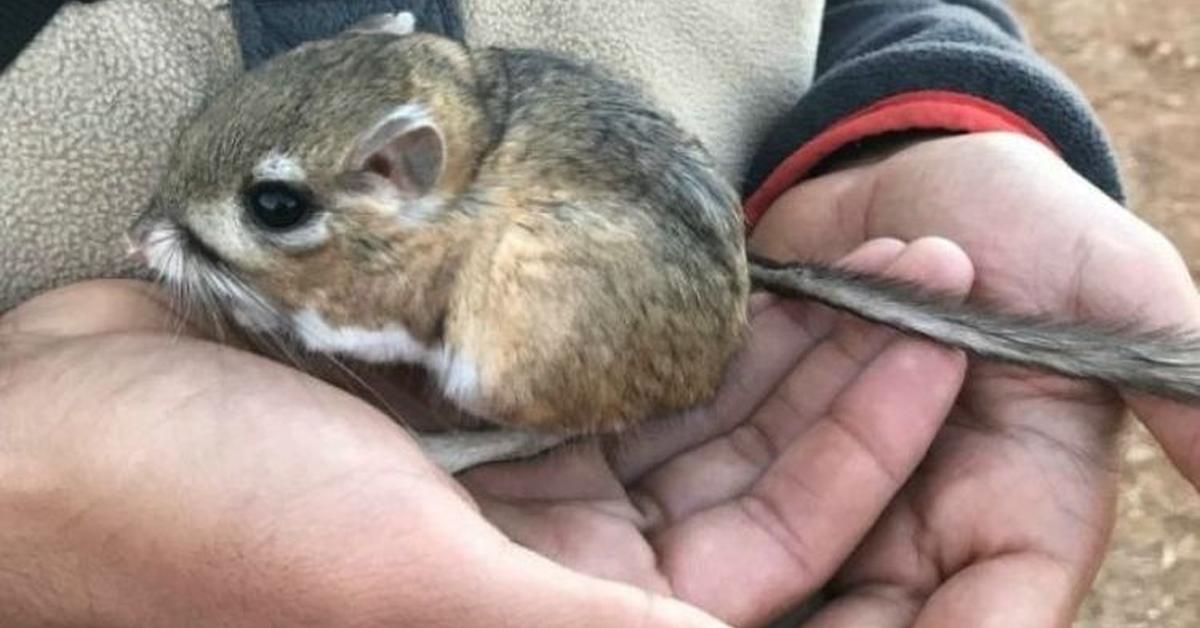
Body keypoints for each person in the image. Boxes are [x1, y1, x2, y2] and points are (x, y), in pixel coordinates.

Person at [1, 1, 1196, 626]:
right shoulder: (398, 165)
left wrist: (904, 110)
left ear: (399, 177)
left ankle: (524, 416)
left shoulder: (425, 238)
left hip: (713, 512)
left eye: (270, 210)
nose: (156, 249)